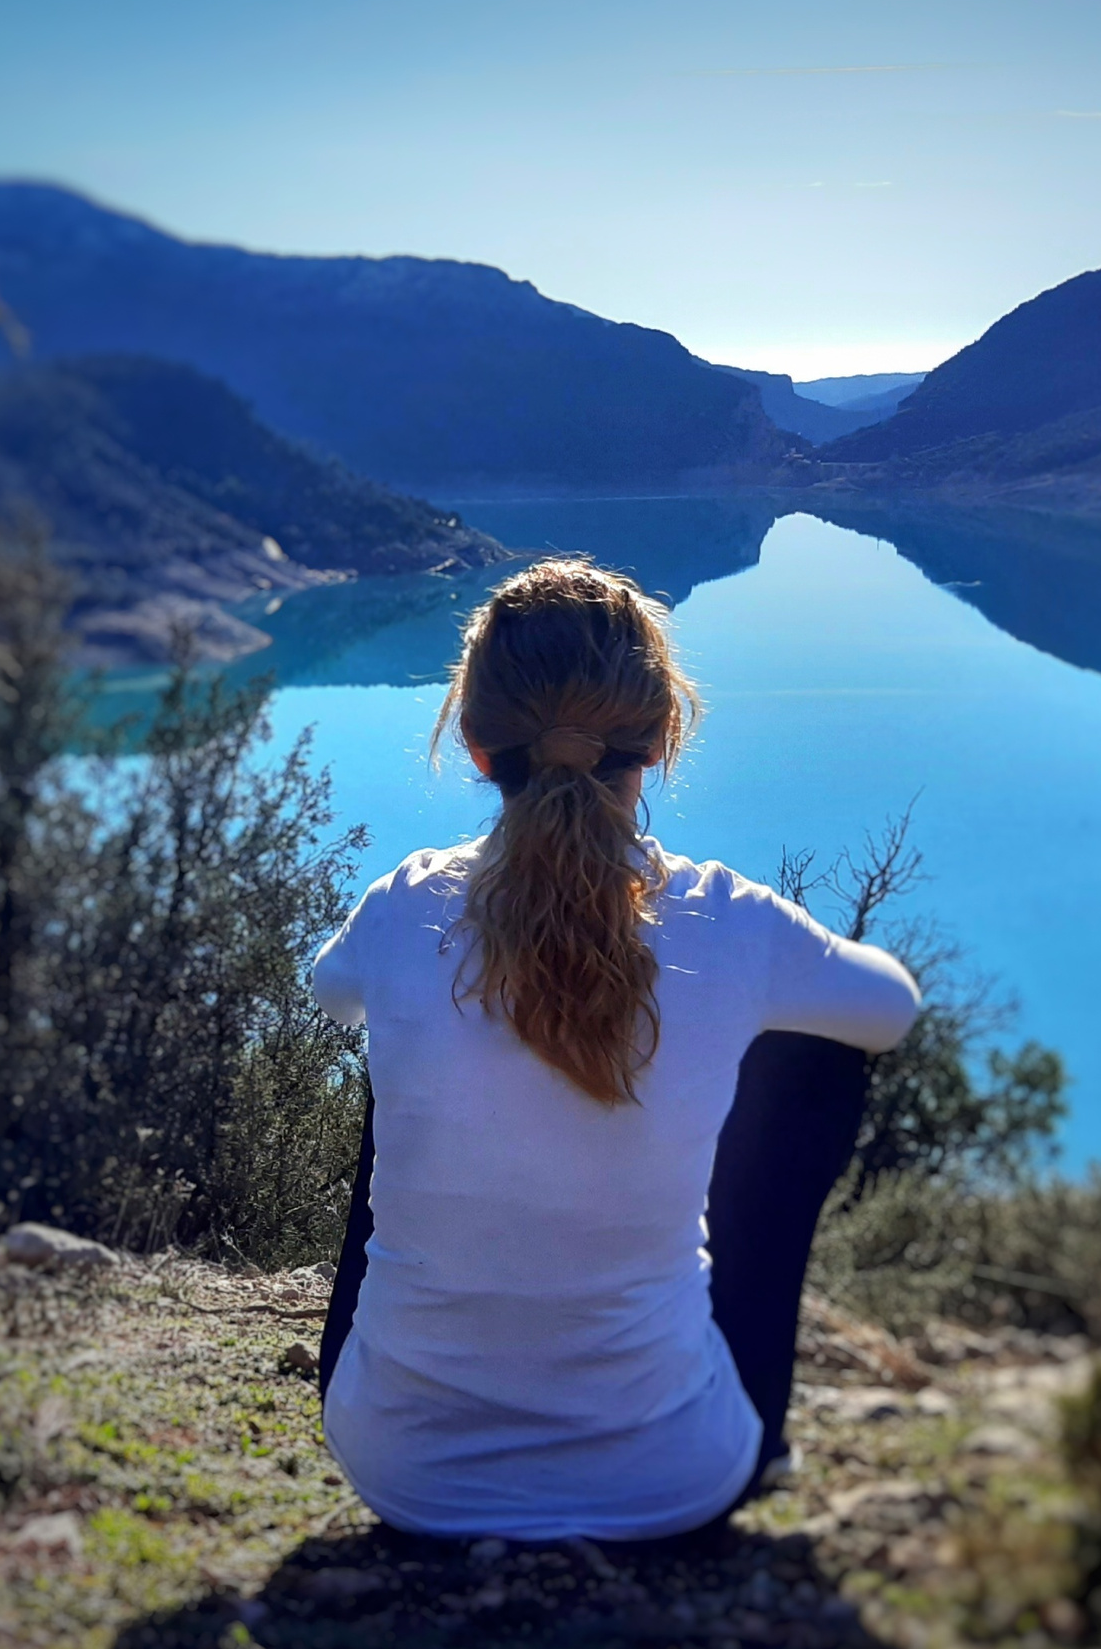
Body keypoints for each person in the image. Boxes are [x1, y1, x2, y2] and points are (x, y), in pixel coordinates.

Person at [311, 558, 921, 1542]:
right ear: (664, 734)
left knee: (407, 1050)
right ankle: (751, 1430)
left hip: (401, 1469)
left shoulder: (407, 900)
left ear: (474, 746)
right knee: (812, 1057)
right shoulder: (726, 918)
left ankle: (431, 1379)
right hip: (674, 1476)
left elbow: (328, 993)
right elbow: (888, 1007)